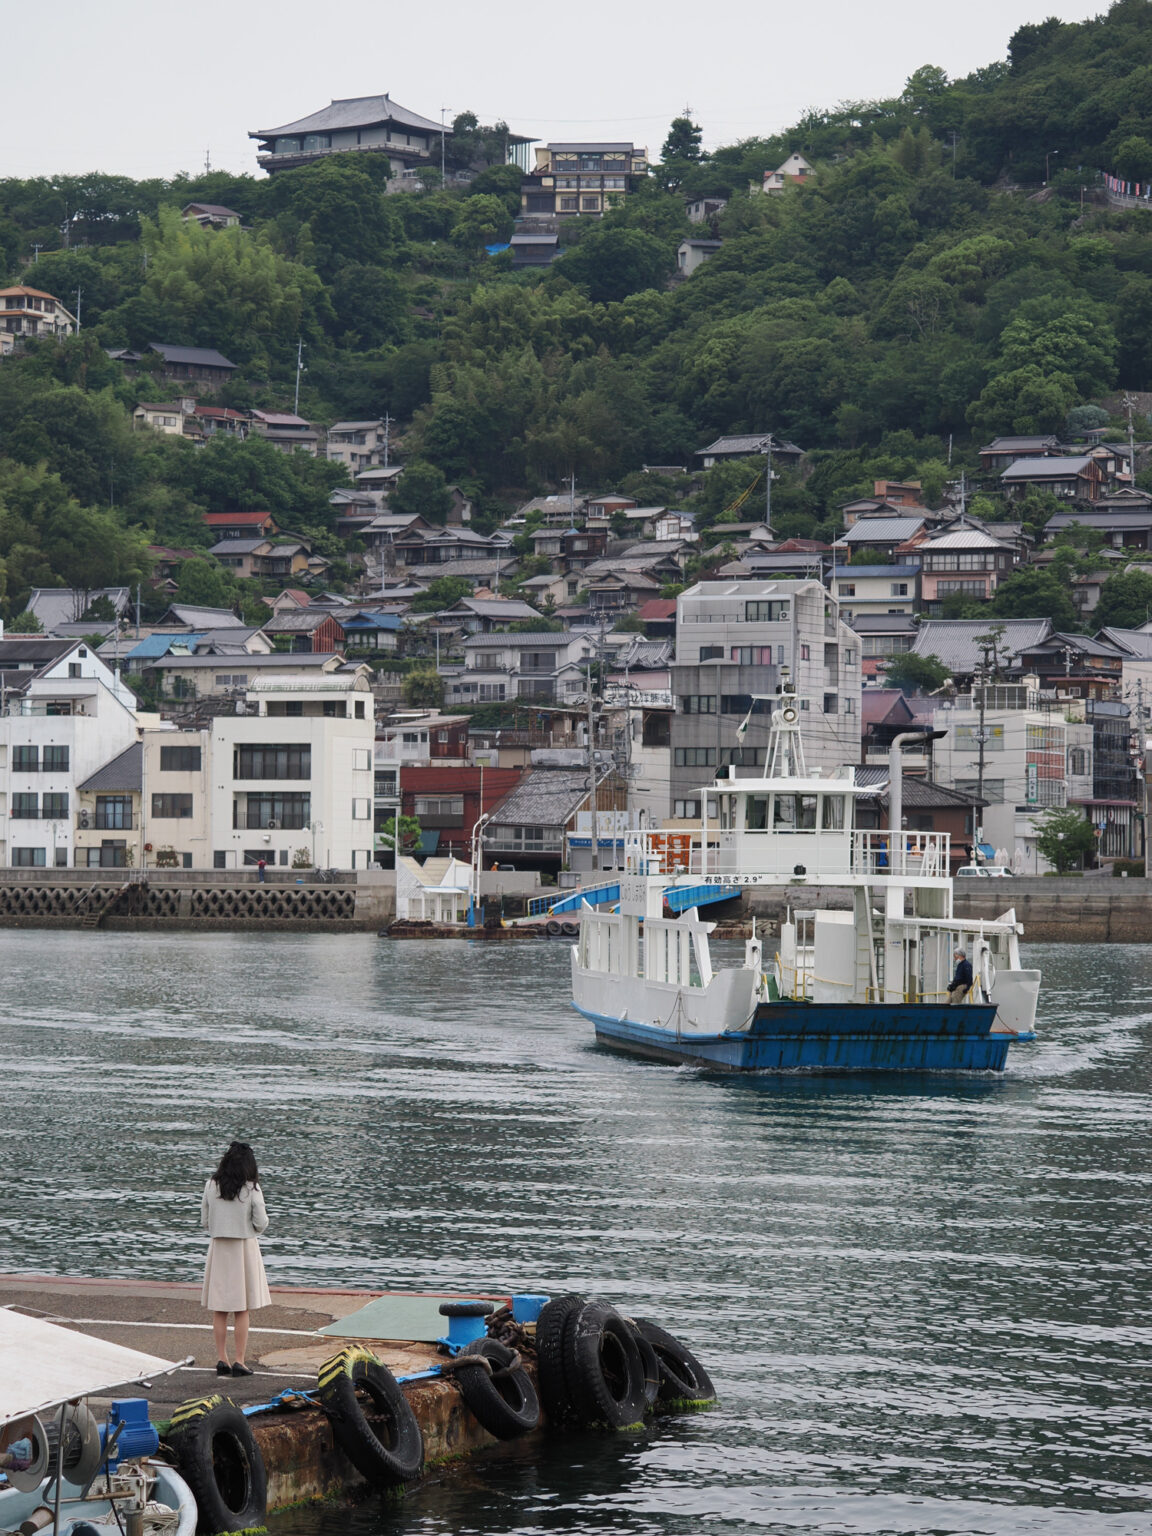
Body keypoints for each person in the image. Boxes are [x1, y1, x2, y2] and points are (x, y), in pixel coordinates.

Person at [201, 1140, 271, 1377]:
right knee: (242, 1309)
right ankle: (240, 1360)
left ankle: (222, 1359)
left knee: (220, 1309)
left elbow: (205, 1221)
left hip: (219, 1249)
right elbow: (261, 1222)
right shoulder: (252, 1189)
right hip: (244, 1249)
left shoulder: (212, 1185)